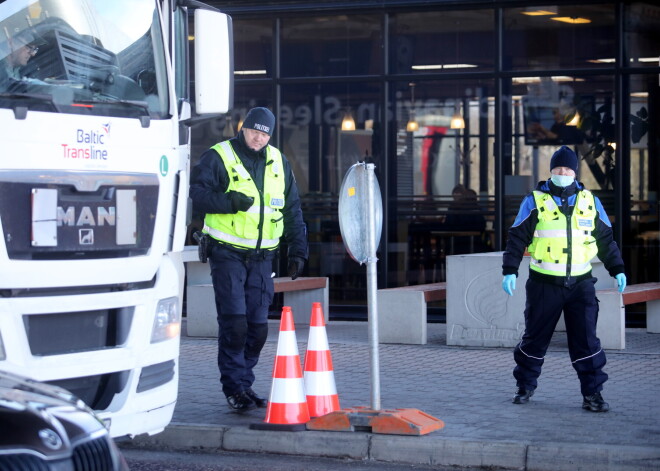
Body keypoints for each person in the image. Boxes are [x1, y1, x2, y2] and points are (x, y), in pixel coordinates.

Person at [189, 107, 308, 411]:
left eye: (265, 133)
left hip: (262, 257)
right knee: (235, 324)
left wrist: (298, 250)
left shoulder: (279, 162)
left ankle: (244, 383)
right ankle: (234, 389)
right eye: (254, 131)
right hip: (226, 252)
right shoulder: (219, 156)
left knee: (258, 328)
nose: (258, 137)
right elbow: (197, 195)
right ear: (243, 129)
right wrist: (229, 203)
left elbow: (292, 210)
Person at [501, 145, 626, 413]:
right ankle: (524, 386)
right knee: (534, 339)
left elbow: (605, 240)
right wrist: (509, 270)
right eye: (558, 168)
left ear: (575, 172)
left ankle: (593, 394)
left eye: (568, 169)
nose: (563, 173)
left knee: (587, 341)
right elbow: (517, 237)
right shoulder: (534, 200)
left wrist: (618, 269)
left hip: (580, 284)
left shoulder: (590, 201)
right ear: (551, 171)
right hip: (544, 283)